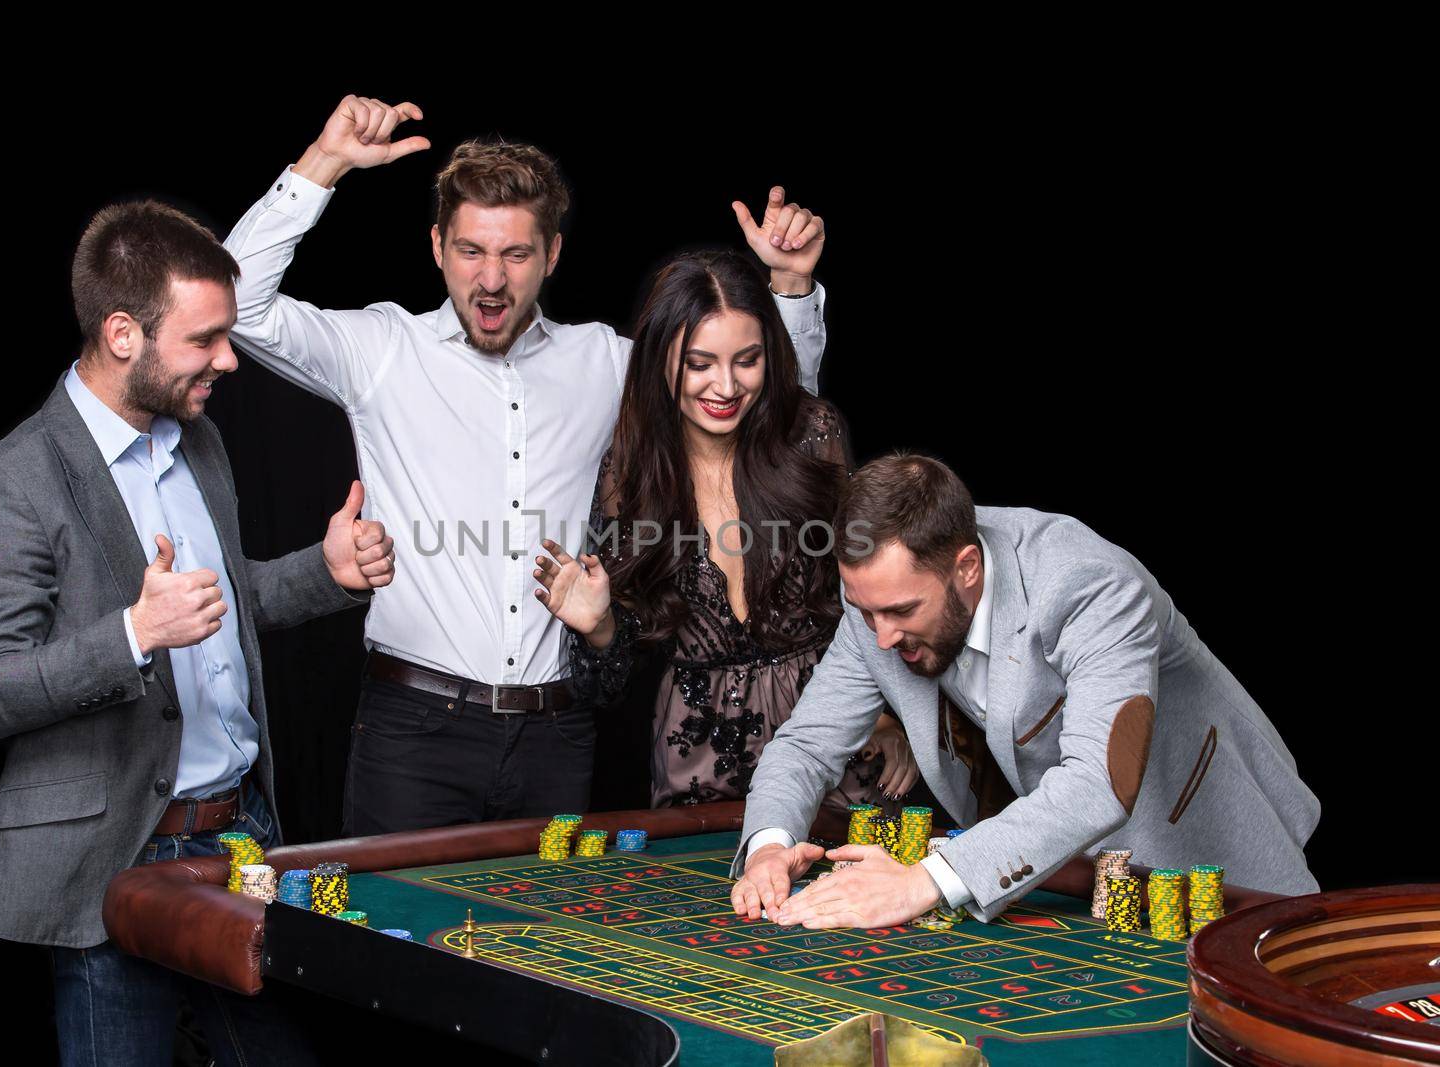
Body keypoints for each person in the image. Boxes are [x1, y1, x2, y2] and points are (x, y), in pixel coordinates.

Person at [223, 94, 833, 835]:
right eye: (471, 251)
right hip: (415, 731)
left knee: (534, 948)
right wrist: (324, 163)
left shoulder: (605, 363)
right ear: (437, 246)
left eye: (515, 254)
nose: (491, 279)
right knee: (396, 943)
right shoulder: (383, 350)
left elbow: (756, 403)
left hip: (557, 732)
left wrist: (792, 291)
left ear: (552, 256)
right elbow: (238, 306)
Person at [0, 200, 394, 1065]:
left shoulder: (201, 442)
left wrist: (323, 570)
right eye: (205, 340)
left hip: (240, 834)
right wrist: (132, 631)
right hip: (114, 855)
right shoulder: (11, 481)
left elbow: (224, 604)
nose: (229, 359)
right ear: (122, 334)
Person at [730, 454, 1320, 929]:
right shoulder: (877, 610)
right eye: (864, 611)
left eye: (901, 610)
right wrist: (768, 848)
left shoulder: (1087, 583)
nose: (879, 637)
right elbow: (807, 746)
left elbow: (1098, 779)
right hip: (1078, 880)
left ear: (965, 568)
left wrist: (923, 881)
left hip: (1212, 850)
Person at [530, 249, 916, 813]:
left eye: (747, 360)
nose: (726, 385)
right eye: (700, 362)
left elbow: (862, 598)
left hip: (831, 738)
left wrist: (880, 710)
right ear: (663, 359)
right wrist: (602, 629)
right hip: (699, 762)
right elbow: (605, 689)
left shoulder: (812, 433)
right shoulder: (629, 472)